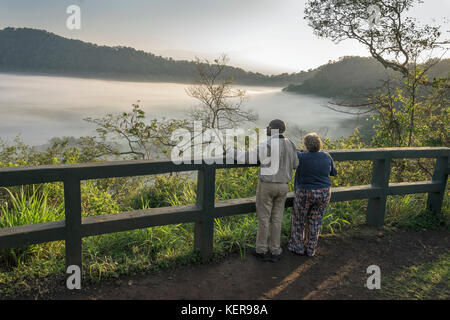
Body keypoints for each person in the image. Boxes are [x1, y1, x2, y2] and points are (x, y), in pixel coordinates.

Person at [231, 119, 298, 262]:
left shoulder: (267, 144)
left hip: (267, 185)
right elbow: (296, 164)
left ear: (273, 129)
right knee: (277, 218)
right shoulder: (291, 144)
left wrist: (230, 151)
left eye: (268, 126)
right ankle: (275, 249)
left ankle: (261, 249)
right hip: (284, 185)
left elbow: (247, 158)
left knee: (264, 218)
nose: (266, 128)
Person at [287, 132, 337, 257]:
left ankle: (297, 247)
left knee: (299, 220)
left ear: (306, 145)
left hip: (305, 192)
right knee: (315, 220)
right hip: (324, 192)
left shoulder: (301, 156)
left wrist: (301, 152)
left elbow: (293, 159)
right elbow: (333, 172)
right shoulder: (326, 156)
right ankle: (310, 249)